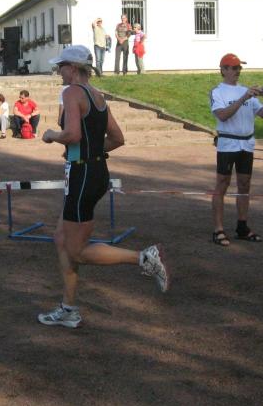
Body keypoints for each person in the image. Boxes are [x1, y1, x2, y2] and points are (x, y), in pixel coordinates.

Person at [37, 45, 169, 329]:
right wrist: (89, 152)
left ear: (73, 68)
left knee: (76, 251)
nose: (58, 72)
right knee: (61, 238)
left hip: (83, 175)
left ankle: (143, 258)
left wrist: (51, 135)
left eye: (61, 66)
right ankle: (68, 308)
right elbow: (117, 138)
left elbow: (72, 134)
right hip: (95, 171)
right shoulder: (97, 95)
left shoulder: (72, 92)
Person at [210, 53, 263, 247]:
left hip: (246, 144)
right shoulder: (218, 92)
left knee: (244, 185)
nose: (238, 71)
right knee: (222, 184)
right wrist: (243, 97)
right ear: (224, 70)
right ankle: (218, 229)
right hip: (228, 144)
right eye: (234, 67)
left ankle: (242, 227)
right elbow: (222, 116)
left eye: (239, 68)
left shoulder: (246, 90)